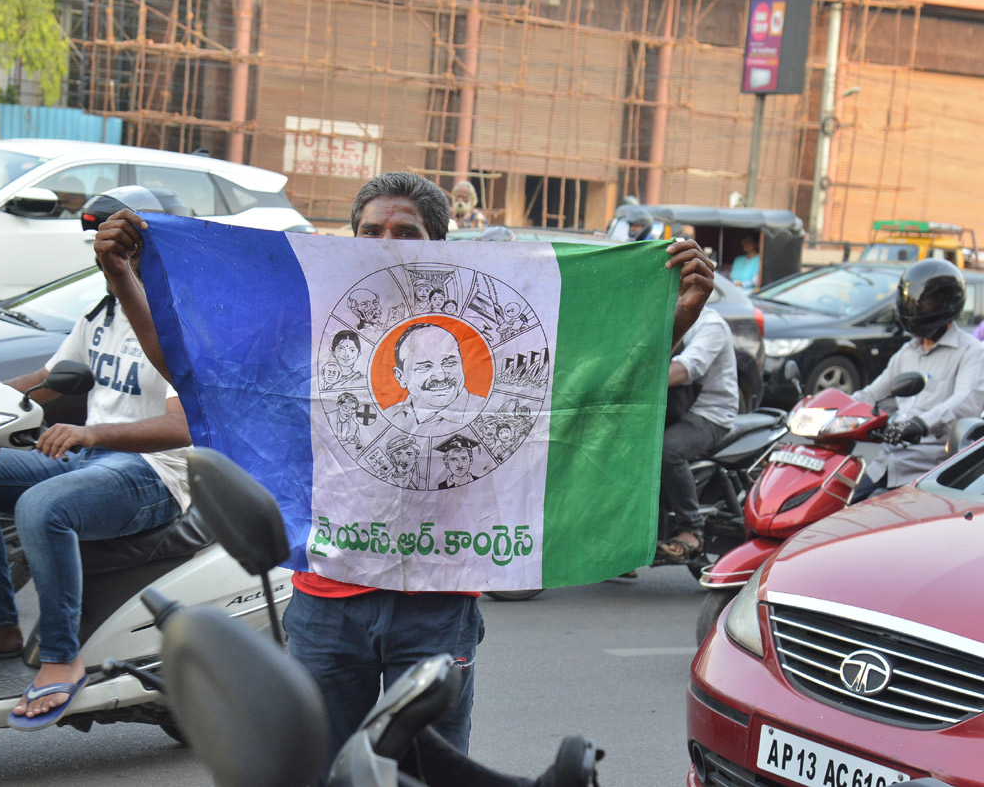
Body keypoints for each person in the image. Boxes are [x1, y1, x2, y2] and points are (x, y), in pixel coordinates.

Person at [92, 169, 717, 764]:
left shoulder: (487, 331)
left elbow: (593, 381)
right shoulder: (311, 318)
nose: (385, 244)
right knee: (323, 767)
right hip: (327, 598)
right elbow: (200, 378)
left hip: (438, 602)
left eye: (405, 232)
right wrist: (123, 276)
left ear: (440, 245)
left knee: (430, 770)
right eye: (372, 232)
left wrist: (678, 307)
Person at [0, 187, 192, 730]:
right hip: (92, 457)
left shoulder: (178, 320)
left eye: (128, 248)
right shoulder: (103, 311)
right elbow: (45, 381)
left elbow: (182, 427)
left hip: (155, 474)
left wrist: (90, 432)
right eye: (108, 248)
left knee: (43, 507)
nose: (116, 259)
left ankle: (62, 657)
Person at [852, 259, 984, 500]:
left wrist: (920, 424)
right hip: (886, 462)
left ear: (947, 301)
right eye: (911, 299)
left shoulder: (972, 352)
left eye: (924, 300)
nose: (915, 306)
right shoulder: (907, 352)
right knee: (831, 503)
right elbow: (873, 396)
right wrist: (829, 408)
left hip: (926, 471)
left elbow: (965, 403)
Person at [655, 305, 738, 560]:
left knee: (668, 451)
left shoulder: (710, 326)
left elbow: (688, 366)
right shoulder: (663, 317)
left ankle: (691, 528)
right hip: (672, 410)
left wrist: (639, 383)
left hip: (711, 414)